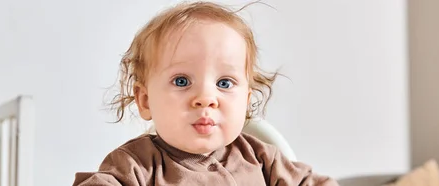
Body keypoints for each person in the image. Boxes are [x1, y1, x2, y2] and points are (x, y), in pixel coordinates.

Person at [73, 1, 338, 185]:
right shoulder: (136, 166)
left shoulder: (261, 158)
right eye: (181, 81)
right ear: (145, 100)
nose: (206, 98)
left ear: (246, 102)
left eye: (224, 83)